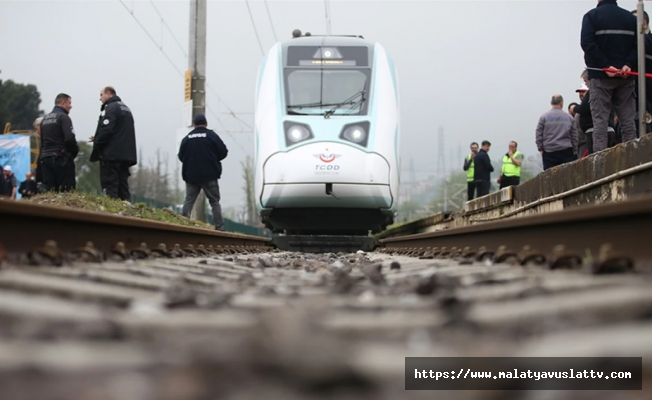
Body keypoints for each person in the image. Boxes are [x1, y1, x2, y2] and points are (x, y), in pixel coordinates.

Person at [580, 0, 637, 152]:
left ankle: (600, 166)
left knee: (600, 124)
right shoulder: (631, 19)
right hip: (626, 76)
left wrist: (605, 66)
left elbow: (587, 44)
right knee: (627, 123)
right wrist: (628, 64)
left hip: (600, 76)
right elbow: (638, 45)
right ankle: (632, 161)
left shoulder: (591, 17)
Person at [178, 114, 228, 230]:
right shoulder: (212, 136)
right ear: (206, 123)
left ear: (194, 125)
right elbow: (223, 152)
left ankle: (183, 224)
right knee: (214, 202)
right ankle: (219, 227)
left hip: (191, 176)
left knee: (189, 200)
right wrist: (214, 159)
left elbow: (181, 156)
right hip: (209, 175)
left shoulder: (187, 138)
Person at [89, 86, 137, 201]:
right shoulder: (126, 108)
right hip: (125, 156)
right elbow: (120, 131)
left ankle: (110, 215)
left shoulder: (111, 107)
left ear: (109, 94)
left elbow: (107, 129)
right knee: (123, 188)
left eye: (101, 95)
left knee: (110, 187)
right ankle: (126, 213)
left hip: (111, 156)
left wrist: (98, 142)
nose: (100, 99)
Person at [39, 93, 79, 192]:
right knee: (66, 190)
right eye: (69, 103)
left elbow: (42, 140)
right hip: (60, 158)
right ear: (62, 103)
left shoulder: (44, 119)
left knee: (51, 191)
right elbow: (69, 138)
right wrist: (73, 153)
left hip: (46, 158)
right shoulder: (63, 117)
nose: (71, 106)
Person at [536, 94, 578, 170]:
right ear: (562, 103)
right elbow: (574, 136)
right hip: (566, 151)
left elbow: (539, 134)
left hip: (549, 152)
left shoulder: (544, 117)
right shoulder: (569, 117)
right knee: (568, 175)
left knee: (550, 178)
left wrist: (541, 148)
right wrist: (574, 150)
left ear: (551, 103)